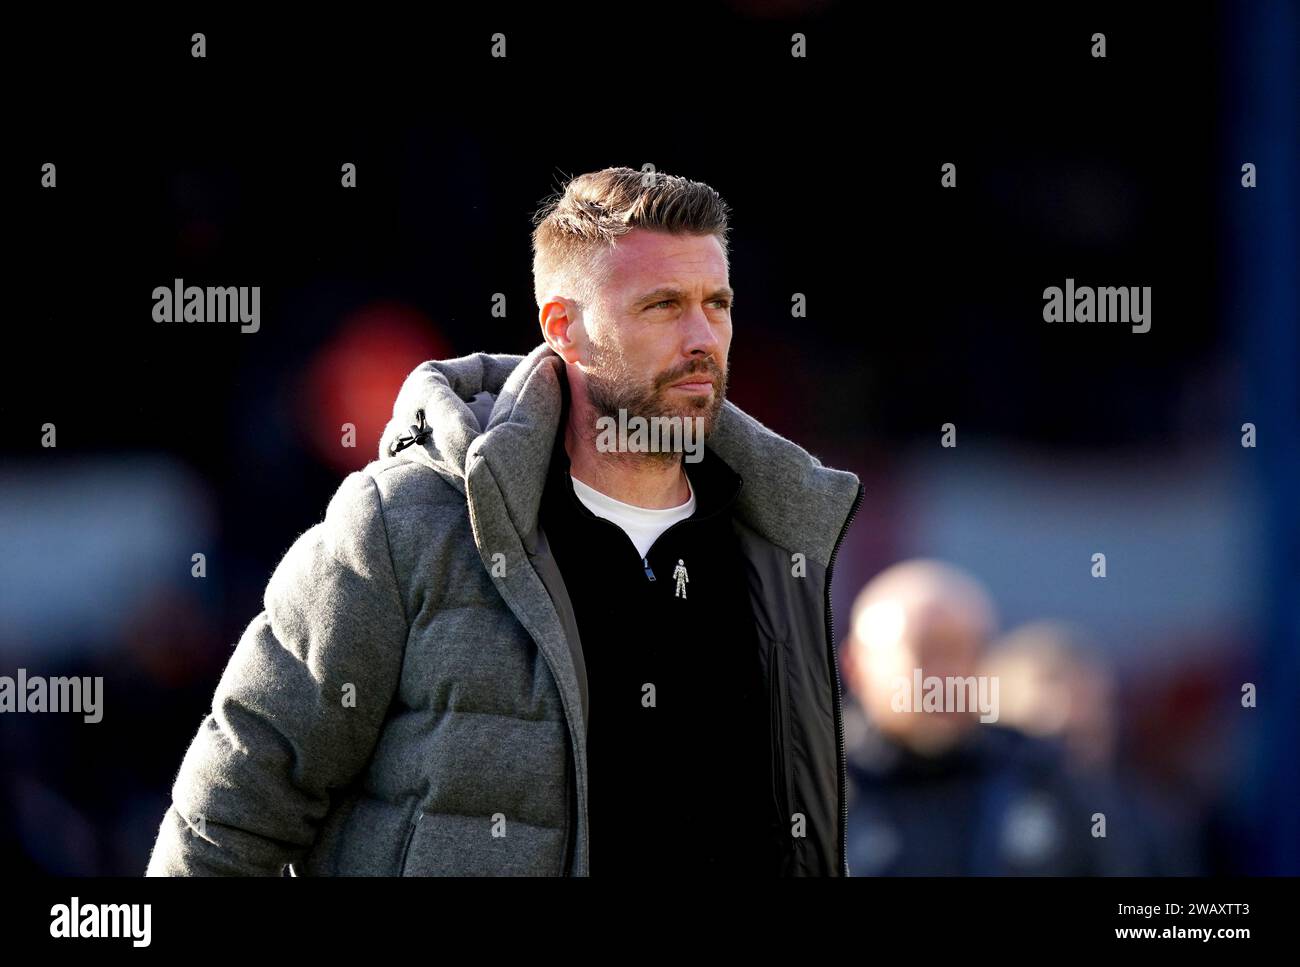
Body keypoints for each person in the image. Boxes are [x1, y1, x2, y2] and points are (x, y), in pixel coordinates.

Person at [146, 166, 863, 877]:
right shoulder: (404, 525)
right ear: (565, 328)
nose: (703, 337)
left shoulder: (777, 544)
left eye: (718, 302)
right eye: (664, 306)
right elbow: (224, 828)